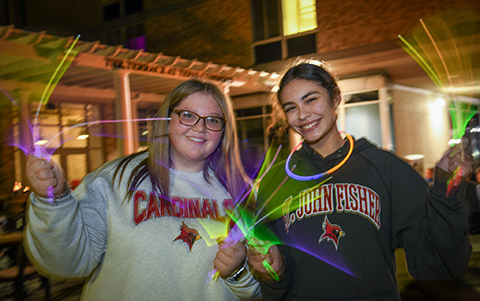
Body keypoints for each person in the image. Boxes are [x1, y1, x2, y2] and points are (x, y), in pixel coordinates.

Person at [247, 60, 473, 300]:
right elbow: (274, 285)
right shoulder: (275, 181)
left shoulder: (385, 168)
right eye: (291, 107)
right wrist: (271, 270)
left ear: (335, 98)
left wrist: (446, 189)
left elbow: (437, 261)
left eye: (311, 99)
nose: (302, 115)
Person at [24, 79, 262, 300]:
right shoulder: (116, 179)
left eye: (212, 120)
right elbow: (64, 264)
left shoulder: (243, 192)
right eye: (188, 116)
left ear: (223, 130)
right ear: (167, 121)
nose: (200, 128)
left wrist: (238, 272)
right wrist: (56, 200)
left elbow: (263, 288)